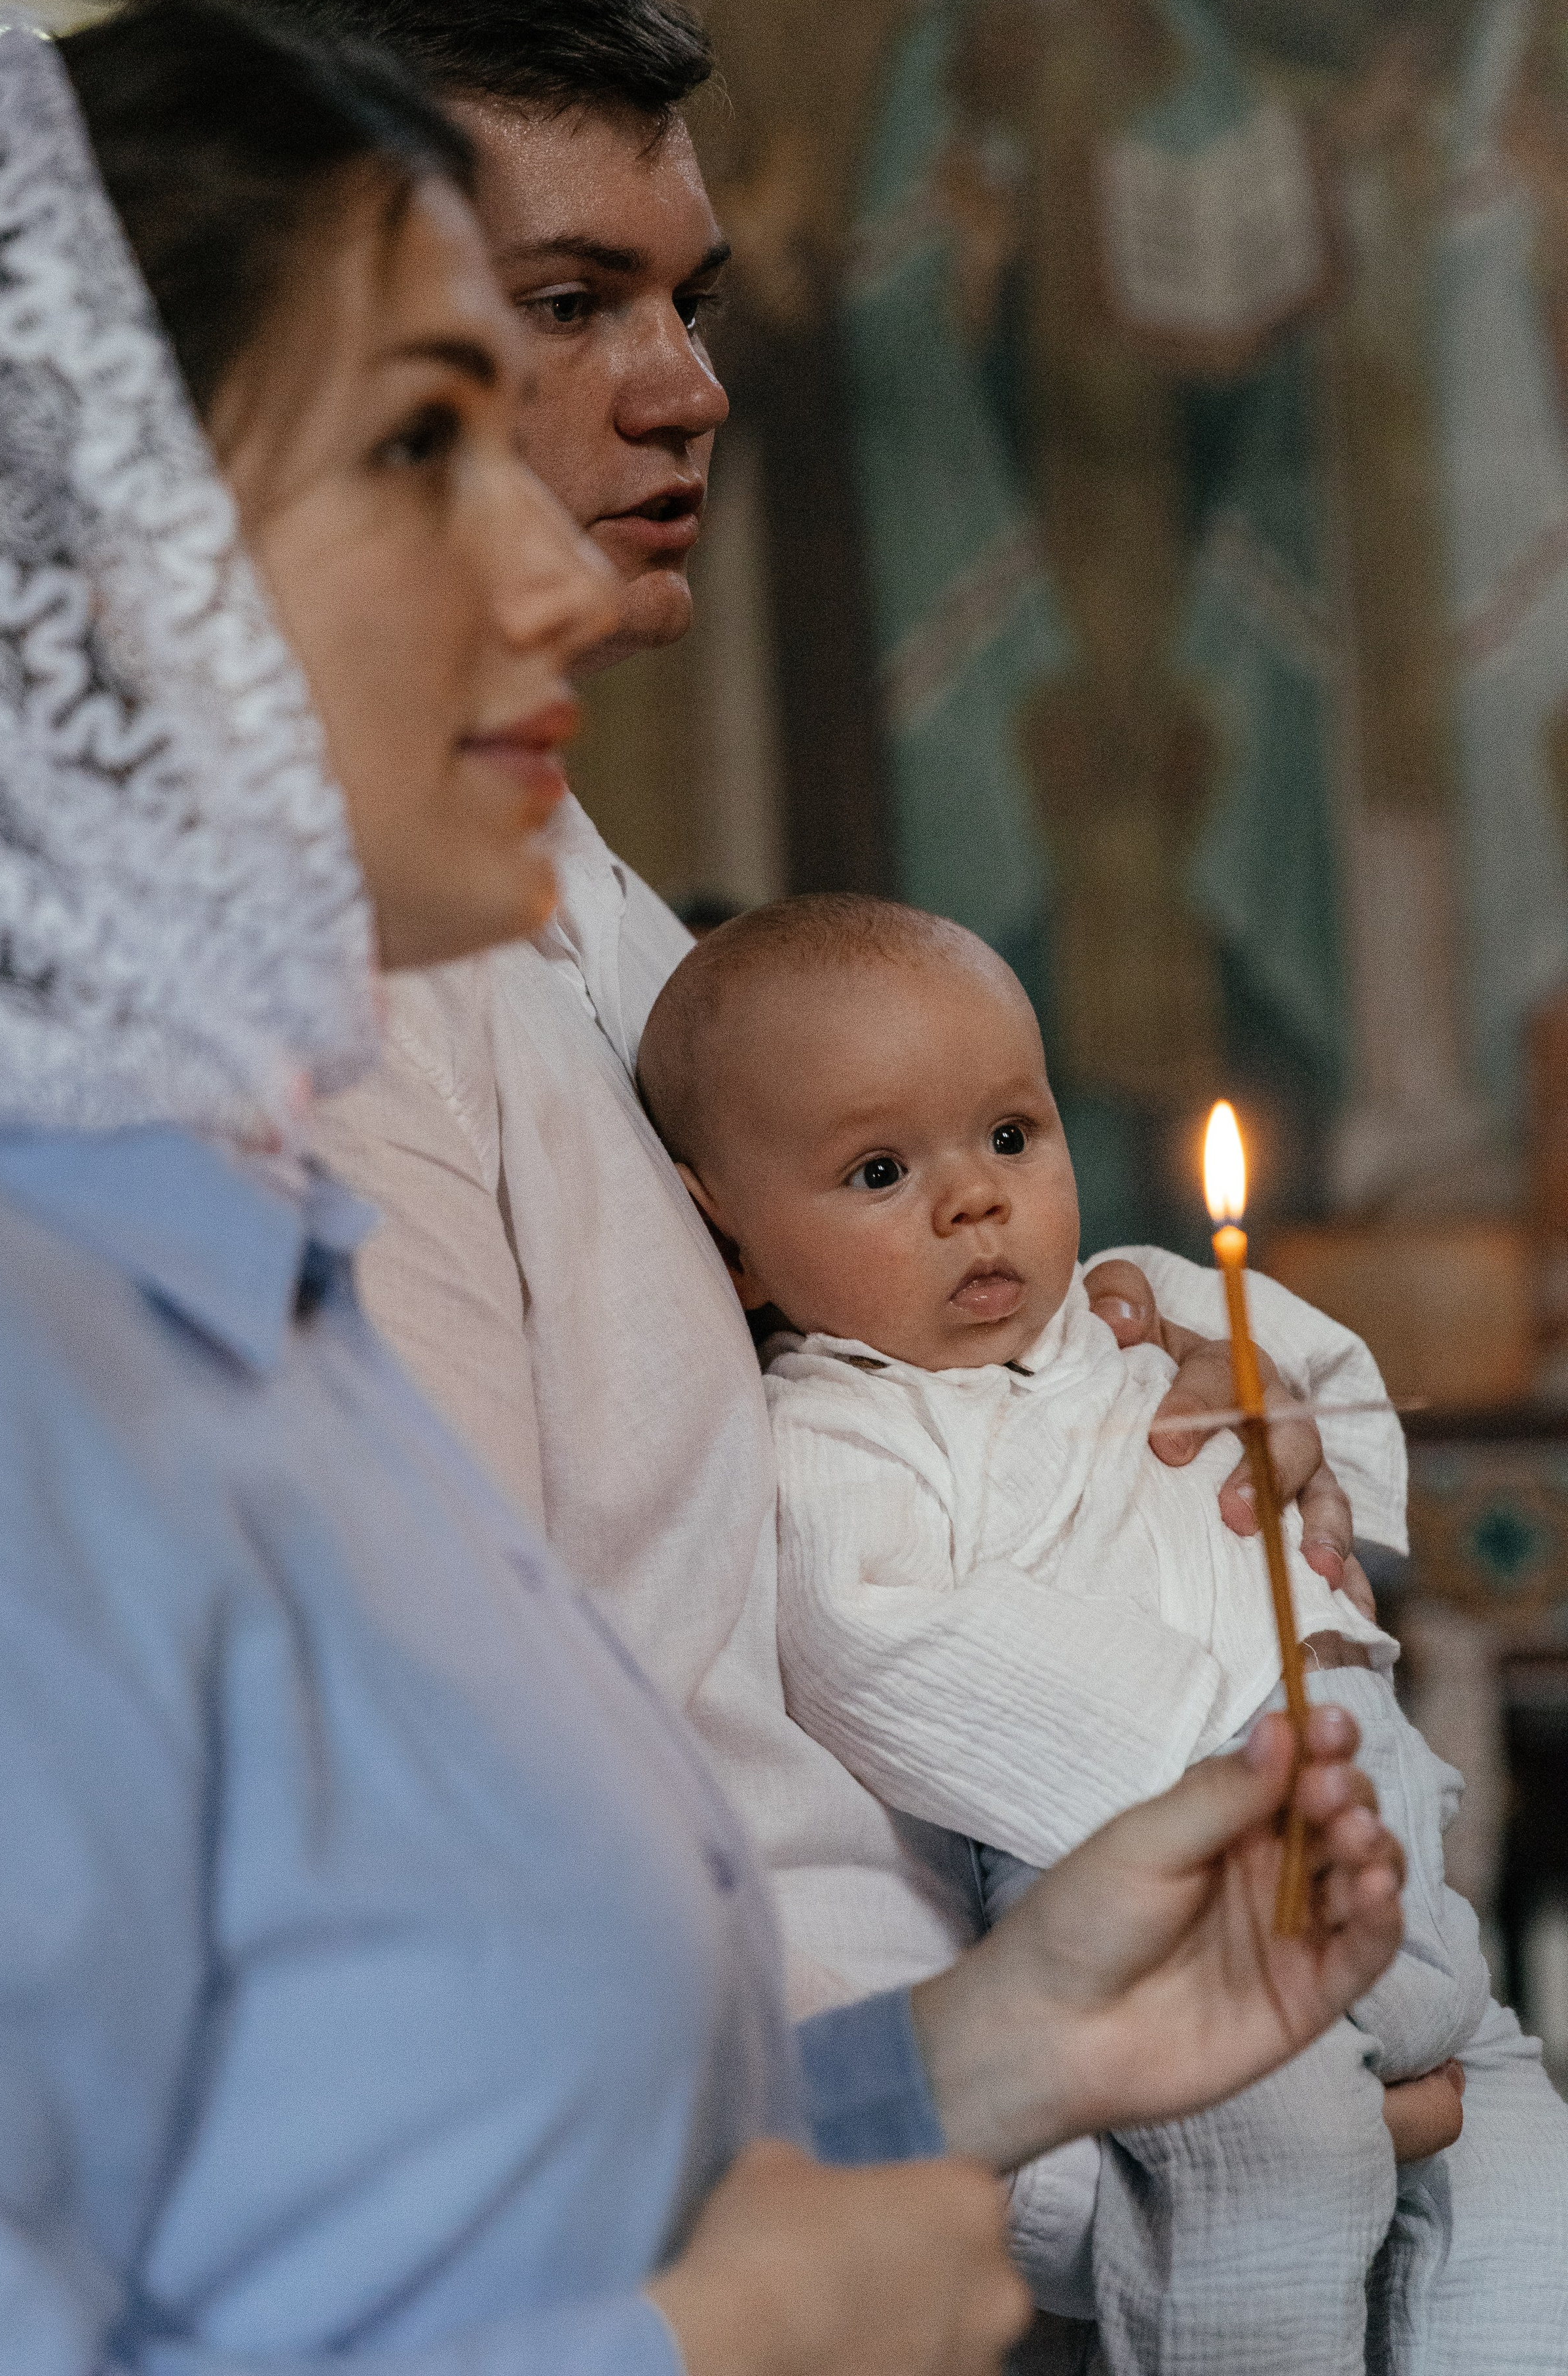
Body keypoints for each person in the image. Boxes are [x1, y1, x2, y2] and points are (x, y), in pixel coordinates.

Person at [0, 0, 1409, 2376]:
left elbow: (415, 2161)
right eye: (425, 436)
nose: (553, 558)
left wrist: (1004, 2046)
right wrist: (718, 2341)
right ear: (82, 564)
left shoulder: (258, 1290)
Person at [639, 891, 1568, 2371]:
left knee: (1524, 2199)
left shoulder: (1131, 1306)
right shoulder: (839, 1433)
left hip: (1386, 1856)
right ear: (732, 1241)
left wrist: (1281, 1429)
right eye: (879, 1169)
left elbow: (1319, 1379)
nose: (972, 1200)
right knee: (1276, 2176)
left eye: (1008, 1134)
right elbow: (886, 1645)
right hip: (1167, 1875)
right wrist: (1215, 1747)